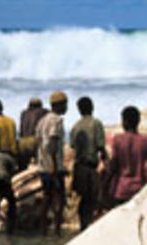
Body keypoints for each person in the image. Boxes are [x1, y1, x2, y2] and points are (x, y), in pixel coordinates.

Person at [69, 96, 107, 230]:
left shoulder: (75, 127)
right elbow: (101, 146)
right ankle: (87, 227)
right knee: (92, 198)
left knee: (83, 198)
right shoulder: (96, 123)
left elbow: (73, 147)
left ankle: (82, 225)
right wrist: (105, 161)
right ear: (92, 107)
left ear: (79, 110)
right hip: (91, 167)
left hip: (79, 166)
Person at [105, 105, 147, 207]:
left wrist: (105, 186)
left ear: (125, 122)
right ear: (138, 121)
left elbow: (113, 166)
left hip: (121, 189)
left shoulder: (118, 140)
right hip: (140, 189)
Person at [36, 91, 68, 236]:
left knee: (47, 197)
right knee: (59, 198)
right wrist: (55, 167)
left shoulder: (42, 120)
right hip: (53, 166)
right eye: (65, 104)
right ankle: (56, 229)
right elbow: (53, 144)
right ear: (58, 105)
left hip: (43, 165)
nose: (66, 107)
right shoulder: (56, 121)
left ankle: (43, 229)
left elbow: (38, 141)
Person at [17, 97, 47, 171]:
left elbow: (21, 130)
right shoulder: (43, 112)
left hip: (22, 142)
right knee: (40, 165)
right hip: (35, 141)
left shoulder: (23, 113)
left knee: (23, 167)